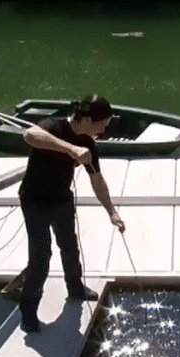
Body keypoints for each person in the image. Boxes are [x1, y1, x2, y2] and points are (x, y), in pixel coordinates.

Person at [16, 94, 125, 333]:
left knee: (70, 247)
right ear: (87, 119)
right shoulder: (54, 126)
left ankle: (75, 288)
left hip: (62, 200)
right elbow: (29, 135)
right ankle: (28, 314)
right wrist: (70, 148)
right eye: (102, 124)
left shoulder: (88, 143)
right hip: (35, 202)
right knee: (41, 258)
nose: (104, 130)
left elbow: (97, 178)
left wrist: (112, 211)